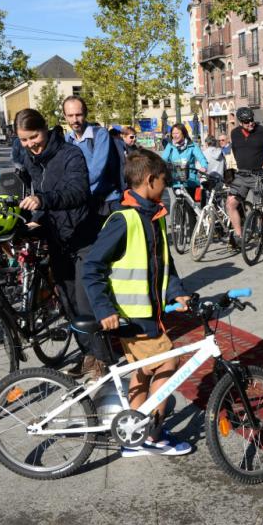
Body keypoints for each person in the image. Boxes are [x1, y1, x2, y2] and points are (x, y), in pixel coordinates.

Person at [82, 149, 192, 457]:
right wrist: (104, 309)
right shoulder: (125, 219)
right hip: (132, 316)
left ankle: (133, 435)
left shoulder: (152, 216)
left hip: (147, 314)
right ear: (149, 180)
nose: (166, 186)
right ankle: (150, 435)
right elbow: (91, 267)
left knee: (143, 372)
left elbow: (162, 265)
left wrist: (176, 292)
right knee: (169, 362)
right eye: (164, 181)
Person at [12, 108, 110, 378]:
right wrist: (36, 217)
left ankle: (100, 361)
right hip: (57, 238)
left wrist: (45, 201)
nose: (31, 144)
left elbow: (77, 192)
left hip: (82, 236)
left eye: (34, 136)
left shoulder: (70, 154)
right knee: (68, 304)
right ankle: (87, 355)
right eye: (24, 140)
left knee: (84, 302)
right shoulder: (32, 159)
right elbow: (38, 193)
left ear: (45, 128)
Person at [226, 107, 263, 249]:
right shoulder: (234, 133)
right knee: (231, 203)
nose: (250, 123)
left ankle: (261, 239)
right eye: (246, 122)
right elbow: (235, 149)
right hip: (242, 174)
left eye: (251, 120)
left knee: (261, 208)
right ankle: (240, 236)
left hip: (259, 175)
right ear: (240, 122)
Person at [62, 96, 122, 213]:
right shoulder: (67, 139)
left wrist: (74, 186)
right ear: (65, 117)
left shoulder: (100, 134)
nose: (75, 120)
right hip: (82, 199)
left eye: (78, 114)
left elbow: (96, 171)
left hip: (106, 201)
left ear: (86, 113)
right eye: (70, 115)